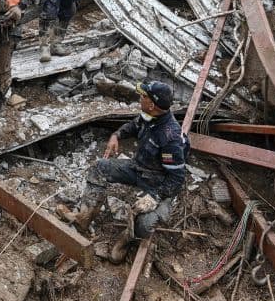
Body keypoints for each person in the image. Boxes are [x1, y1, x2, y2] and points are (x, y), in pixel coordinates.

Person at [57, 81, 188, 253]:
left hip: (158, 183)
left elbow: (177, 178)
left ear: (151, 104)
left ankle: (127, 240)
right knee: (100, 168)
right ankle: (84, 216)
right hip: (138, 168)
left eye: (143, 96)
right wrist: (116, 135)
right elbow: (133, 126)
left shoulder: (171, 138)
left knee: (145, 224)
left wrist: (154, 197)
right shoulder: (149, 116)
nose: (140, 98)